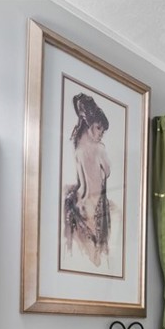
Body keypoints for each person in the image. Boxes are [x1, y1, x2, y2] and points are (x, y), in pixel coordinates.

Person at [63, 93, 111, 267]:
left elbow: (82, 185)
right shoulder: (99, 149)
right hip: (95, 206)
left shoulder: (78, 150)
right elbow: (108, 171)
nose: (101, 134)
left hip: (82, 202)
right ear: (89, 125)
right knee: (97, 254)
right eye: (99, 128)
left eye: (103, 130)